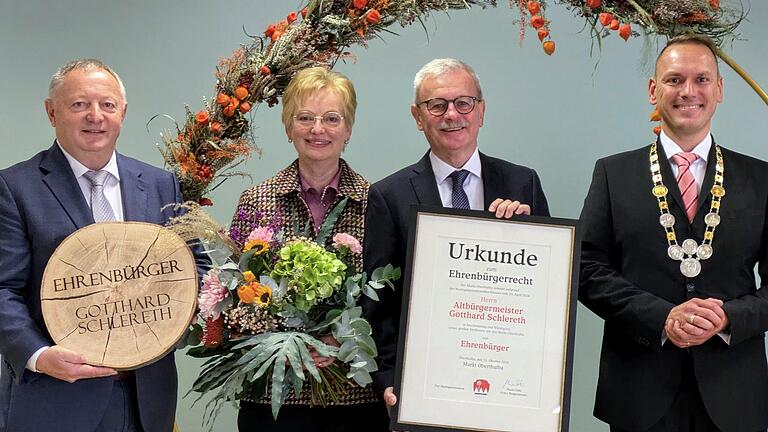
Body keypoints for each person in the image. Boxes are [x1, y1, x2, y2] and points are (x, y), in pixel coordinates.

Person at [579, 34, 768, 432]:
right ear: (653, 90)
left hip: (734, 394)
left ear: (719, 90)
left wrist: (727, 318)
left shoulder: (762, 179)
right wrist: (662, 317)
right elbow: (586, 271)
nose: (688, 91)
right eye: (674, 79)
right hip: (638, 392)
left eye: (702, 79)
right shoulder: (613, 174)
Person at [0, 59, 185, 432]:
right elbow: (3, 288)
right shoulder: (14, 187)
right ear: (52, 112)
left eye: (107, 105)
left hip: (145, 400)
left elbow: (189, 266)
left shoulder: (161, 183)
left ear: (124, 112)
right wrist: (39, 355)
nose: (95, 116)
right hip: (55, 398)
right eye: (79, 104)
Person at [362, 58, 550, 413]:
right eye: (437, 105)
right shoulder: (389, 195)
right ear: (418, 117)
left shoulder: (523, 183)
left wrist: (529, 236)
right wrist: (388, 380)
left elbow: (546, 295)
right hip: (424, 387)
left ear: (481, 111)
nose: (452, 114)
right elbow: (378, 304)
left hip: (509, 386)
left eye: (464, 103)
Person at [228, 67, 389, 432]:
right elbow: (234, 293)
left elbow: (389, 302)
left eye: (332, 119)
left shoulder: (375, 202)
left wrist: (339, 338)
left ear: (348, 129)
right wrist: (285, 343)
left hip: (353, 399)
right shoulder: (256, 200)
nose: (318, 129)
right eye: (305, 118)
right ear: (288, 128)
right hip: (273, 399)